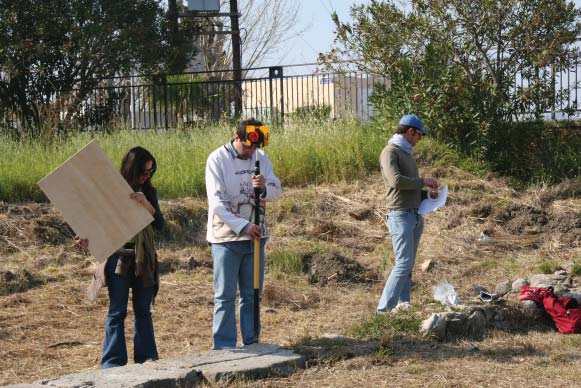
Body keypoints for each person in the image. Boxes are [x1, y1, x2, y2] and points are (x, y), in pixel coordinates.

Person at [76, 146, 164, 368]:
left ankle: (146, 360)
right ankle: (113, 363)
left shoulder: (149, 192)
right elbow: (93, 219)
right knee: (117, 310)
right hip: (119, 257)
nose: (147, 176)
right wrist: (84, 236)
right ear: (131, 169)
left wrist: (147, 205)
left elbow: (160, 224)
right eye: (144, 172)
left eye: (150, 172)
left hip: (143, 258)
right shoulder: (112, 190)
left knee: (143, 310)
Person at [205, 118, 282, 349]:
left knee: (251, 295)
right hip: (226, 239)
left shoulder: (261, 158)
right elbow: (217, 202)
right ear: (237, 138)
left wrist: (264, 188)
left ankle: (251, 340)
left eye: (255, 147)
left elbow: (277, 191)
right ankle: (224, 346)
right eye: (248, 147)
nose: (251, 152)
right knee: (225, 296)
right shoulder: (217, 159)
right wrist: (242, 225)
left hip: (256, 238)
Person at [377, 114, 439, 313]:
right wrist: (422, 182)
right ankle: (383, 310)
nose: (420, 139)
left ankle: (403, 306)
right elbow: (396, 181)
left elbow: (408, 188)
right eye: (419, 135)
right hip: (400, 215)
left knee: (408, 265)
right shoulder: (390, 152)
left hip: (414, 215)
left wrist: (428, 196)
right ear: (411, 131)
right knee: (403, 263)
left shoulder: (407, 154)